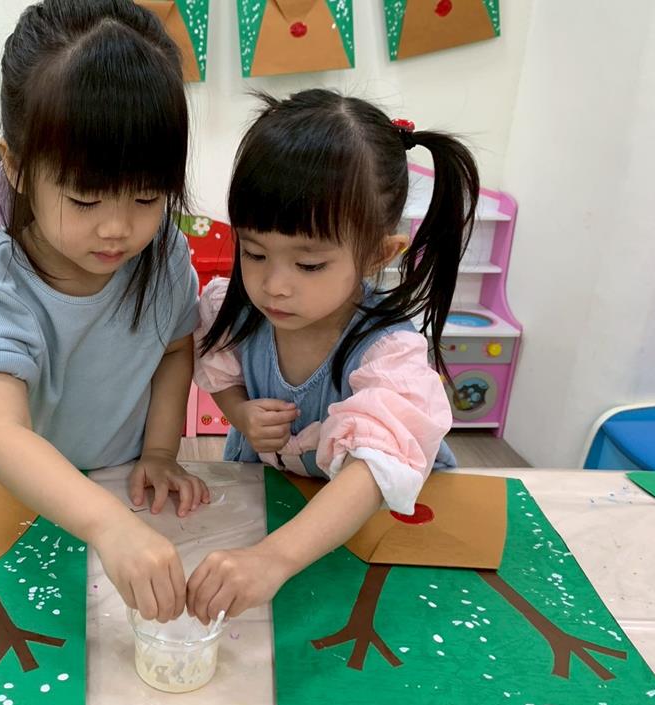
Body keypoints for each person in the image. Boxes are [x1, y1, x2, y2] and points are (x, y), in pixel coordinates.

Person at [0, 0, 208, 623]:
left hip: (124, 489)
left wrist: (161, 451)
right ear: (16, 168)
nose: (118, 228)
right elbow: (1, 433)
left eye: (146, 196)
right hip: (24, 498)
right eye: (86, 199)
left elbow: (175, 348)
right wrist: (107, 524)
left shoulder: (161, 254)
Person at [187, 89, 479, 624]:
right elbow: (221, 371)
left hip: (375, 524)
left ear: (377, 253)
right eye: (254, 252)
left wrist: (273, 559)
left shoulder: (388, 352)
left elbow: (373, 473)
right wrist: (240, 414)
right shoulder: (240, 310)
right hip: (277, 502)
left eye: (309, 265)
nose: (274, 285)